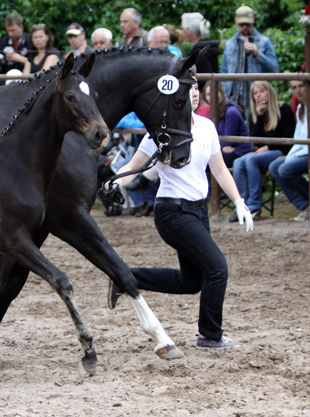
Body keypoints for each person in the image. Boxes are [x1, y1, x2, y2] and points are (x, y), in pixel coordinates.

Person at [108, 79, 253, 349]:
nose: (194, 94)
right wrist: (113, 182)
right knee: (217, 268)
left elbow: (219, 169)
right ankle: (210, 335)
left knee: (192, 281)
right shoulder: (160, 132)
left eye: (197, 88)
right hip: (172, 211)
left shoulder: (207, 127)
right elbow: (134, 166)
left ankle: (126, 277)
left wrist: (239, 201)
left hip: (198, 211)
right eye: (189, 89)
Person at [231, 81, 295, 221]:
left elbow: (288, 137)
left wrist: (268, 147)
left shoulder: (283, 109)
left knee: (251, 159)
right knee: (238, 162)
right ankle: (241, 205)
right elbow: (255, 141)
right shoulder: (255, 113)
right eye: (255, 93)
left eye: (261, 91)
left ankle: (254, 203)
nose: (258, 96)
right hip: (262, 153)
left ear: (269, 92)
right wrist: (259, 117)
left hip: (281, 151)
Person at [220, 6, 279, 120]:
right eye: (242, 24)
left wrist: (258, 54)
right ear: (236, 21)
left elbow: (275, 69)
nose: (245, 27)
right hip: (233, 99)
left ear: (254, 21)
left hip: (256, 100)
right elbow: (223, 71)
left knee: (254, 134)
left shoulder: (264, 41)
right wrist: (224, 96)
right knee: (233, 135)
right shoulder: (230, 43)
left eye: (248, 24)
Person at [269, 79, 309, 221]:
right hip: (302, 152)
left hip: (306, 153)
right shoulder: (300, 109)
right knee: (275, 166)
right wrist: (289, 156)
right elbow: (299, 139)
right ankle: (304, 206)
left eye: (301, 86)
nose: (298, 91)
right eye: (294, 87)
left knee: (285, 169)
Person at [202, 81, 250, 167]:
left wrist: (215, 146)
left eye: (215, 92)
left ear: (222, 92)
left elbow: (228, 142)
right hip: (223, 150)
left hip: (239, 151)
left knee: (208, 162)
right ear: (205, 97)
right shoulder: (212, 112)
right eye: (209, 94)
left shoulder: (231, 112)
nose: (213, 96)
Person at [181, 12, 220, 92]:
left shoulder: (199, 51)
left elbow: (204, 81)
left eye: (183, 29)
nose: (182, 32)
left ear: (188, 30)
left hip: (204, 97)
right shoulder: (209, 46)